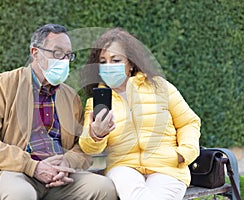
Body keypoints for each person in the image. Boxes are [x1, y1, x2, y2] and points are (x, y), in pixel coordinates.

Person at [0, 24, 117, 200]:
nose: (64, 60)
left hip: (60, 176)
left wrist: (67, 162)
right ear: (35, 53)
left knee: (104, 188)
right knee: (21, 194)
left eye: (68, 55)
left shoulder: (71, 97)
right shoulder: (3, 84)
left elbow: (81, 147)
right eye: (57, 53)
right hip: (15, 171)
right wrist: (33, 167)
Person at [79, 27, 201, 200]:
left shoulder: (160, 86)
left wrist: (184, 153)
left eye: (115, 60)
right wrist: (96, 134)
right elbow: (88, 147)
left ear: (131, 63)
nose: (108, 66)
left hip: (167, 166)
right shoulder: (96, 103)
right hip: (123, 168)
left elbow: (189, 122)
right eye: (103, 61)